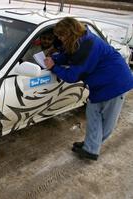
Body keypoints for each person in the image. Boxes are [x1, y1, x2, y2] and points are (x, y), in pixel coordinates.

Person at [44, 17, 133, 160]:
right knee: (93, 115)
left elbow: (73, 75)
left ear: (70, 33)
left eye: (61, 36)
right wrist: (55, 59)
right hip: (102, 83)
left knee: (106, 121)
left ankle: (91, 149)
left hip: (116, 83)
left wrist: (54, 67)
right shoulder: (80, 40)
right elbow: (69, 55)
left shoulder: (87, 47)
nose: (59, 39)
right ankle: (91, 145)